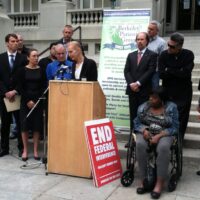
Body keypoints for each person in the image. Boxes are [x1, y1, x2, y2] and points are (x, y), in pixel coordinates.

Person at [134, 86, 179, 199]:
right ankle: (144, 180)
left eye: (154, 98)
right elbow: (136, 123)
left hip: (164, 133)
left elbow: (175, 127)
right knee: (140, 144)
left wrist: (159, 135)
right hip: (146, 132)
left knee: (163, 147)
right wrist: (143, 130)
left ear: (161, 99)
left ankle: (159, 184)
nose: (150, 99)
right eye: (150, 97)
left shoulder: (171, 108)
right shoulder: (143, 107)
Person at [158, 32, 194, 140]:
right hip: (168, 91)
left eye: (172, 46)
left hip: (184, 91)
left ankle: (179, 139)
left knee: (182, 116)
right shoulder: (164, 55)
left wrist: (169, 69)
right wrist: (178, 71)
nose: (169, 48)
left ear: (180, 46)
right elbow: (161, 74)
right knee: (168, 114)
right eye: (168, 44)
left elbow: (186, 73)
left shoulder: (188, 54)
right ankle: (168, 137)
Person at [124, 32, 157, 134]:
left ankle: (142, 138)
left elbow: (150, 71)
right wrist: (131, 84)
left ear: (147, 41)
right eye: (138, 39)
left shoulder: (152, 55)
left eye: (142, 39)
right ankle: (132, 138)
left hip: (144, 90)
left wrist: (138, 83)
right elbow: (126, 71)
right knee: (133, 115)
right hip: (132, 90)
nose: (139, 41)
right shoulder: (131, 55)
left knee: (143, 115)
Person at [0, 33, 27, 157]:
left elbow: (24, 79)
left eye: (17, 41)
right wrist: (5, 92)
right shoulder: (1, 58)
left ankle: (22, 148)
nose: (16, 43)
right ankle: (4, 148)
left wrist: (15, 91)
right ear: (7, 43)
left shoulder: (23, 58)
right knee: (5, 123)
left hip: (18, 96)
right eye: (13, 41)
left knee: (21, 123)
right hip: (4, 97)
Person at [17, 49, 46, 161]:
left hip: (37, 102)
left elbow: (44, 86)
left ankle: (35, 150)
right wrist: (28, 100)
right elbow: (20, 87)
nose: (36, 58)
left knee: (36, 127)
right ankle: (25, 150)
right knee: (24, 126)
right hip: (25, 102)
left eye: (37, 56)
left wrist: (35, 100)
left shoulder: (42, 70)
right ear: (28, 58)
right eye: (33, 56)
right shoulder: (22, 70)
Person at [147, 20, 167, 88]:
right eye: (148, 28)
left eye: (151, 29)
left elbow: (163, 59)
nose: (149, 30)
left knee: (154, 90)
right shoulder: (144, 39)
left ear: (157, 31)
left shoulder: (161, 42)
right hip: (143, 71)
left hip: (154, 72)